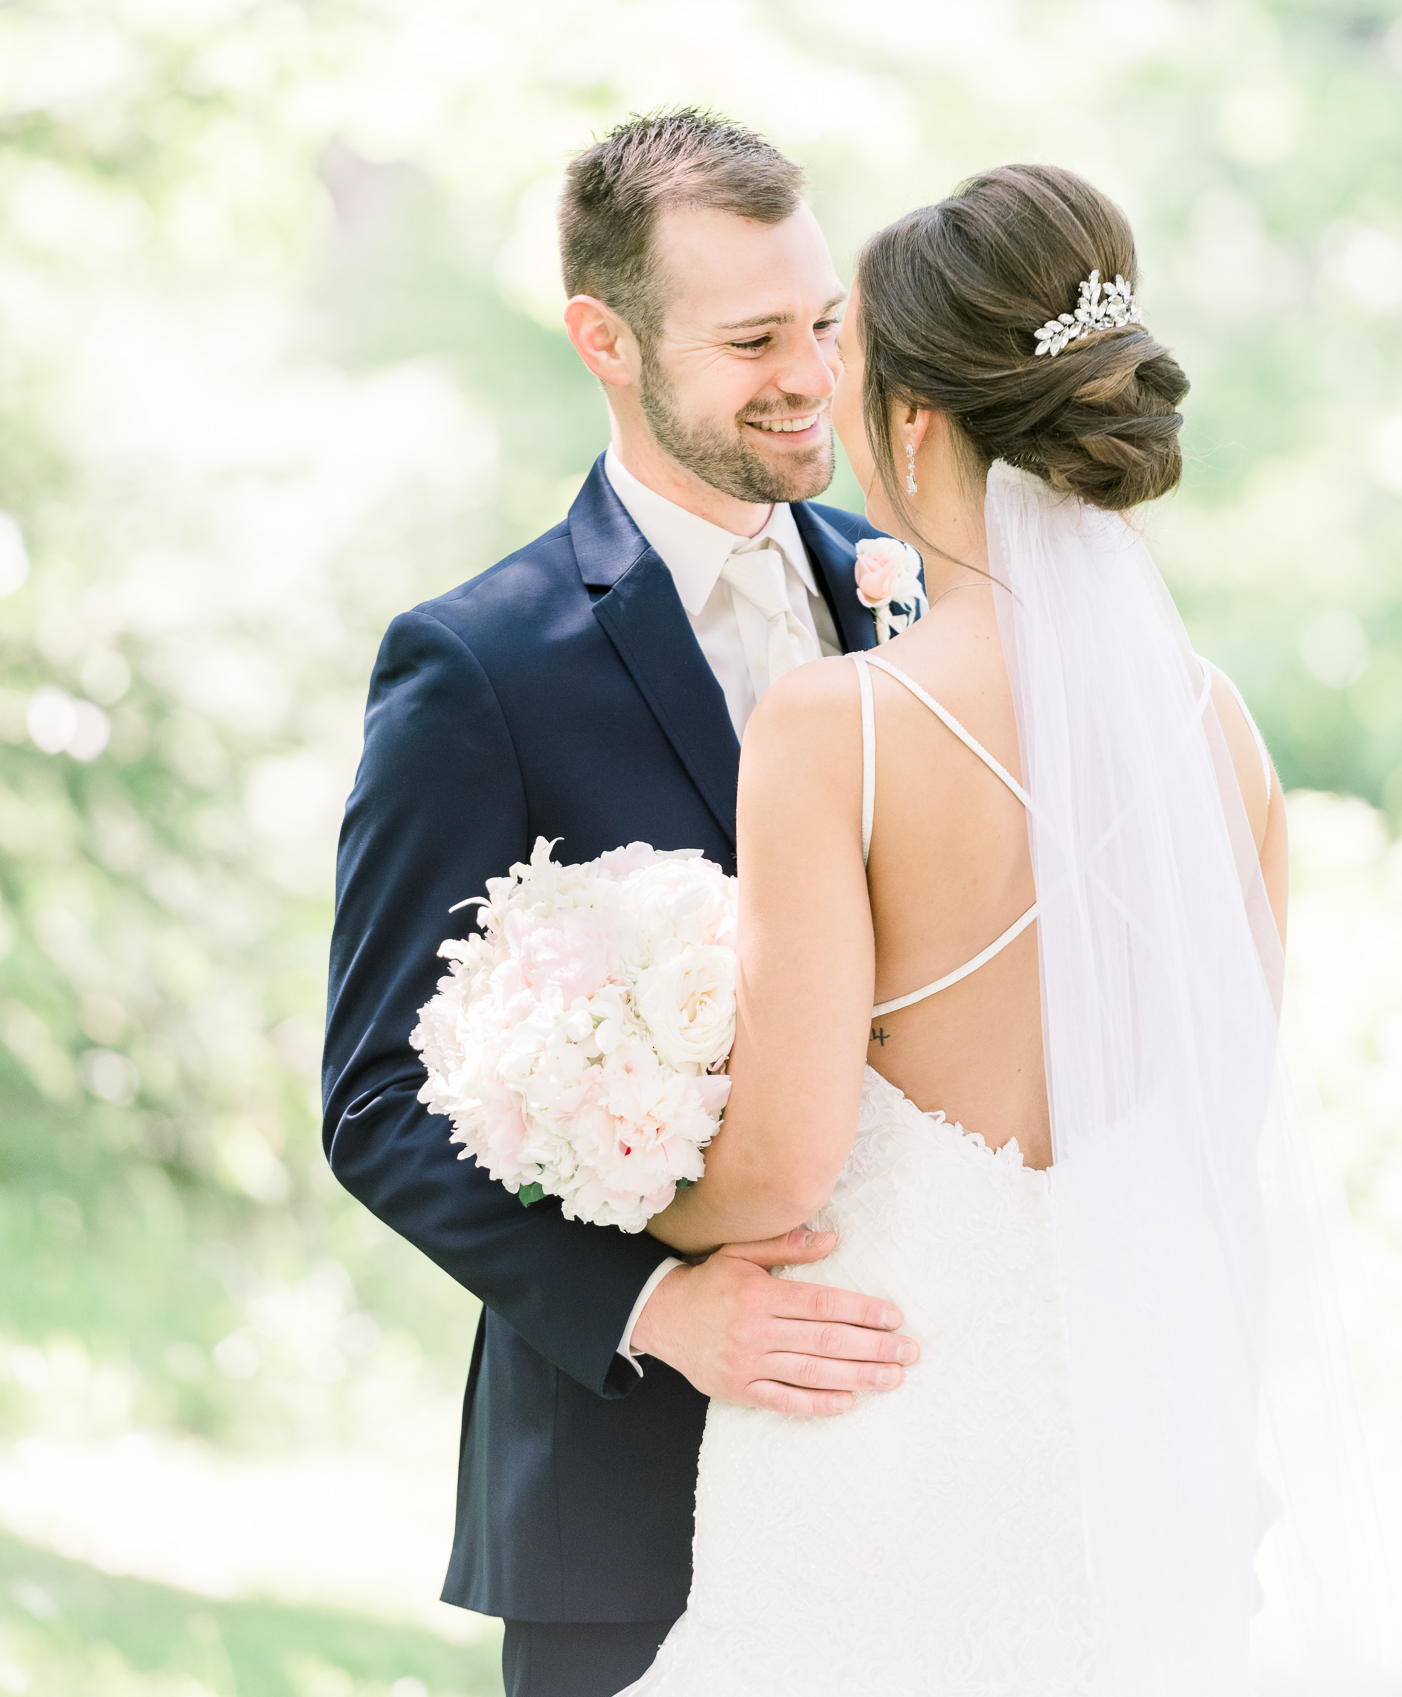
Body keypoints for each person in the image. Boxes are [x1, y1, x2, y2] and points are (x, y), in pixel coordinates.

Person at [615, 163, 1382, 1695]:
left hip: (880, 1430)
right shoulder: (1222, 738)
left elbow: (776, 1165)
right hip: (1126, 1439)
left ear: (913, 422)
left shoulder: (834, 729)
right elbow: (1210, 1125)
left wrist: (614, 1159)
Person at [322, 109, 919, 1697]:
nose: (810, 374)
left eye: (824, 325)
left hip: (918, 1447)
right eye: (750, 341)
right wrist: (656, 1305)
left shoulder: (917, 601)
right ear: (606, 339)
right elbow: (378, 1102)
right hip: (621, 1495)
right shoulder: (479, 665)